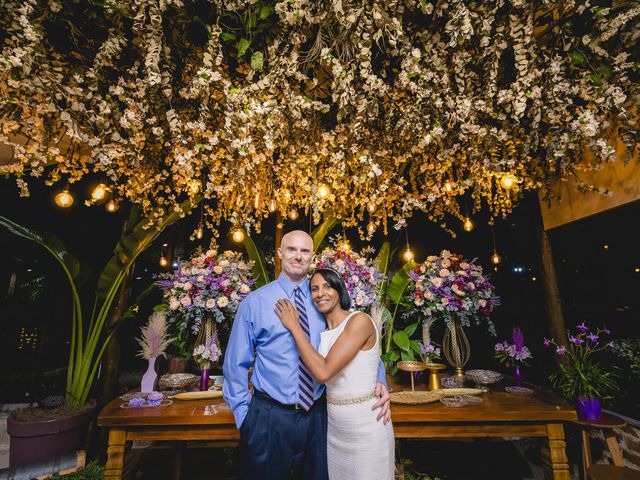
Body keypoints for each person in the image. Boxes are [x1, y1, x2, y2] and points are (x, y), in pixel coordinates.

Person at [223, 230, 390, 480]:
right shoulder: (256, 302)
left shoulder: (322, 299)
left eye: (304, 251)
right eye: (291, 249)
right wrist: (244, 418)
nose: (298, 257)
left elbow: (355, 341)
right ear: (279, 253)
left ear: (312, 256)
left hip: (318, 416)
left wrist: (379, 379)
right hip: (270, 415)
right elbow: (235, 363)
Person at [275, 267, 395, 480]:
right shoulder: (322, 331)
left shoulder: (359, 321)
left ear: (339, 290)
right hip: (336, 430)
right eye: (314, 289)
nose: (320, 293)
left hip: (366, 425)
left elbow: (323, 372)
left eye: (327, 286)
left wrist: (294, 326)